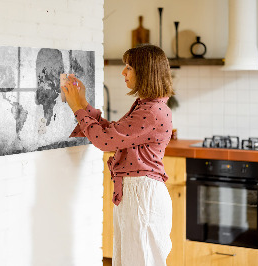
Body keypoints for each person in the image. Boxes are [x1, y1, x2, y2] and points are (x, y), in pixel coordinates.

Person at [62, 44, 174, 266]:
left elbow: (105, 141)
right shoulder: (147, 106)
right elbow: (113, 133)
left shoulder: (151, 111)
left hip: (142, 195)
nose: (123, 72)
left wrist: (77, 108)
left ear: (145, 72)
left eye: (129, 67)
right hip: (137, 193)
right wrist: (83, 103)